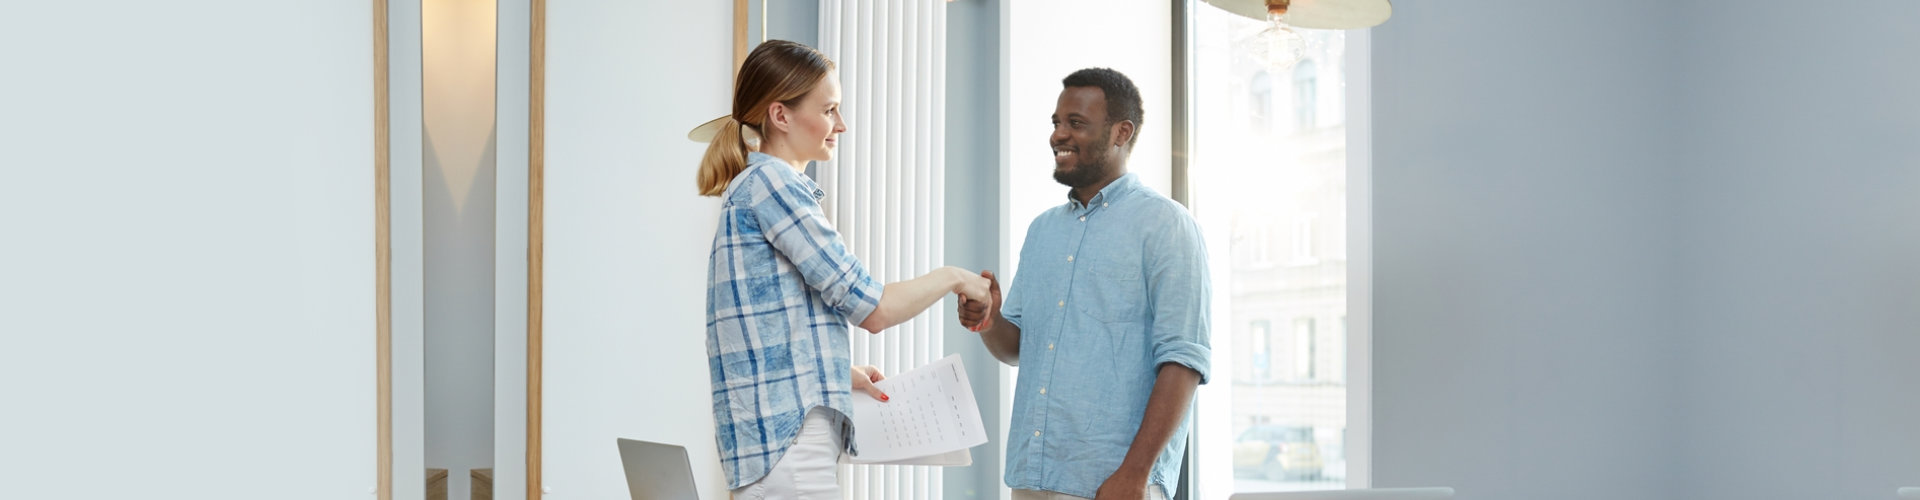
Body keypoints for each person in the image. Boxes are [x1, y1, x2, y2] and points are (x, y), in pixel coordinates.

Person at [698, 40, 993, 500]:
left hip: (771, 448)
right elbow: (871, 308)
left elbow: (764, 325)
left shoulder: (751, 188)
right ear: (781, 116)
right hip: (792, 449)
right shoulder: (775, 184)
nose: (842, 124)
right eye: (830, 109)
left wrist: (832, 370)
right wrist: (955, 276)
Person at [959, 68, 1212, 500]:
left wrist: (1135, 475)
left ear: (1121, 132)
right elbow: (1017, 347)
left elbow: (1184, 361)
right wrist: (990, 318)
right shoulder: (1043, 230)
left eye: (1075, 123)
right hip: (1032, 478)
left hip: (1115, 483)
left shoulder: (1167, 225)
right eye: (1056, 123)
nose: (1059, 135)